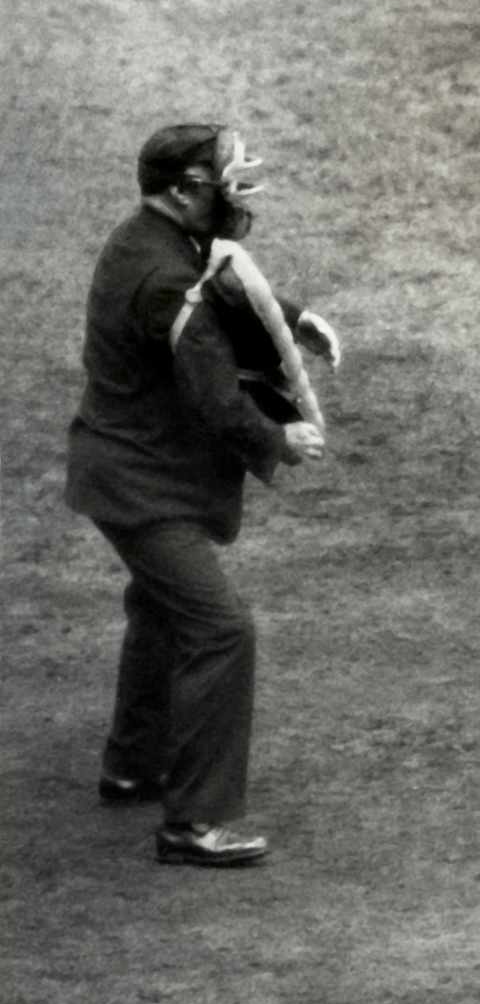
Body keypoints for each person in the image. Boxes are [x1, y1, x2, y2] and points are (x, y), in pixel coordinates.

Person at [66, 123, 340, 866]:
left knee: (161, 611)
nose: (238, 196)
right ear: (186, 190)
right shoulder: (163, 276)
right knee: (222, 629)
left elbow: (221, 280)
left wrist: (292, 316)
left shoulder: (150, 240)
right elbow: (217, 395)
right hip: (141, 486)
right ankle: (196, 823)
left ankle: (134, 763)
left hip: (130, 470)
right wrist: (280, 439)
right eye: (226, 182)